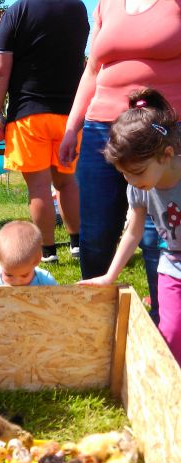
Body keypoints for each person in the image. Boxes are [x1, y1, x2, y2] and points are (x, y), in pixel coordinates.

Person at [59, 0, 181, 325]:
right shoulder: (106, 5)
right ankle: (96, 322)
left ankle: (164, 325)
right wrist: (73, 127)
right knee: (96, 234)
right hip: (102, 129)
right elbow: (92, 70)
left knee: (159, 234)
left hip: (163, 131)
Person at [79, 89, 181, 366]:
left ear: (166, 154)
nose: (131, 180)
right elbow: (133, 232)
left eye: (136, 172)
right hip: (173, 267)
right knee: (170, 334)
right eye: (123, 173)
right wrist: (109, 276)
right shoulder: (139, 187)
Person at [0, 0, 89, 264]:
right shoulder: (77, 8)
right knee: (67, 183)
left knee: (39, 188)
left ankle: (49, 251)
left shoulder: (18, 11)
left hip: (29, 114)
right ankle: (77, 245)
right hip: (69, 115)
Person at [0, 220, 58, 286]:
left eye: (24, 275)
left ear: (37, 260)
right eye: (8, 275)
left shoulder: (45, 281)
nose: (17, 282)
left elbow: (58, 300)